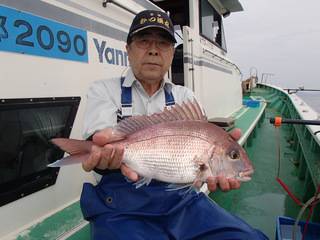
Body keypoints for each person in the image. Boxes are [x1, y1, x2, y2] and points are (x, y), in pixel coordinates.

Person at [80, 10, 268, 240]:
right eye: (143, 41)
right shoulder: (104, 90)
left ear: (171, 54)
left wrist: (209, 172)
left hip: (183, 203)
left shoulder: (185, 96)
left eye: (163, 43)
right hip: (121, 207)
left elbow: (199, 171)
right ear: (128, 49)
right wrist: (103, 156)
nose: (153, 49)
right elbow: (99, 137)